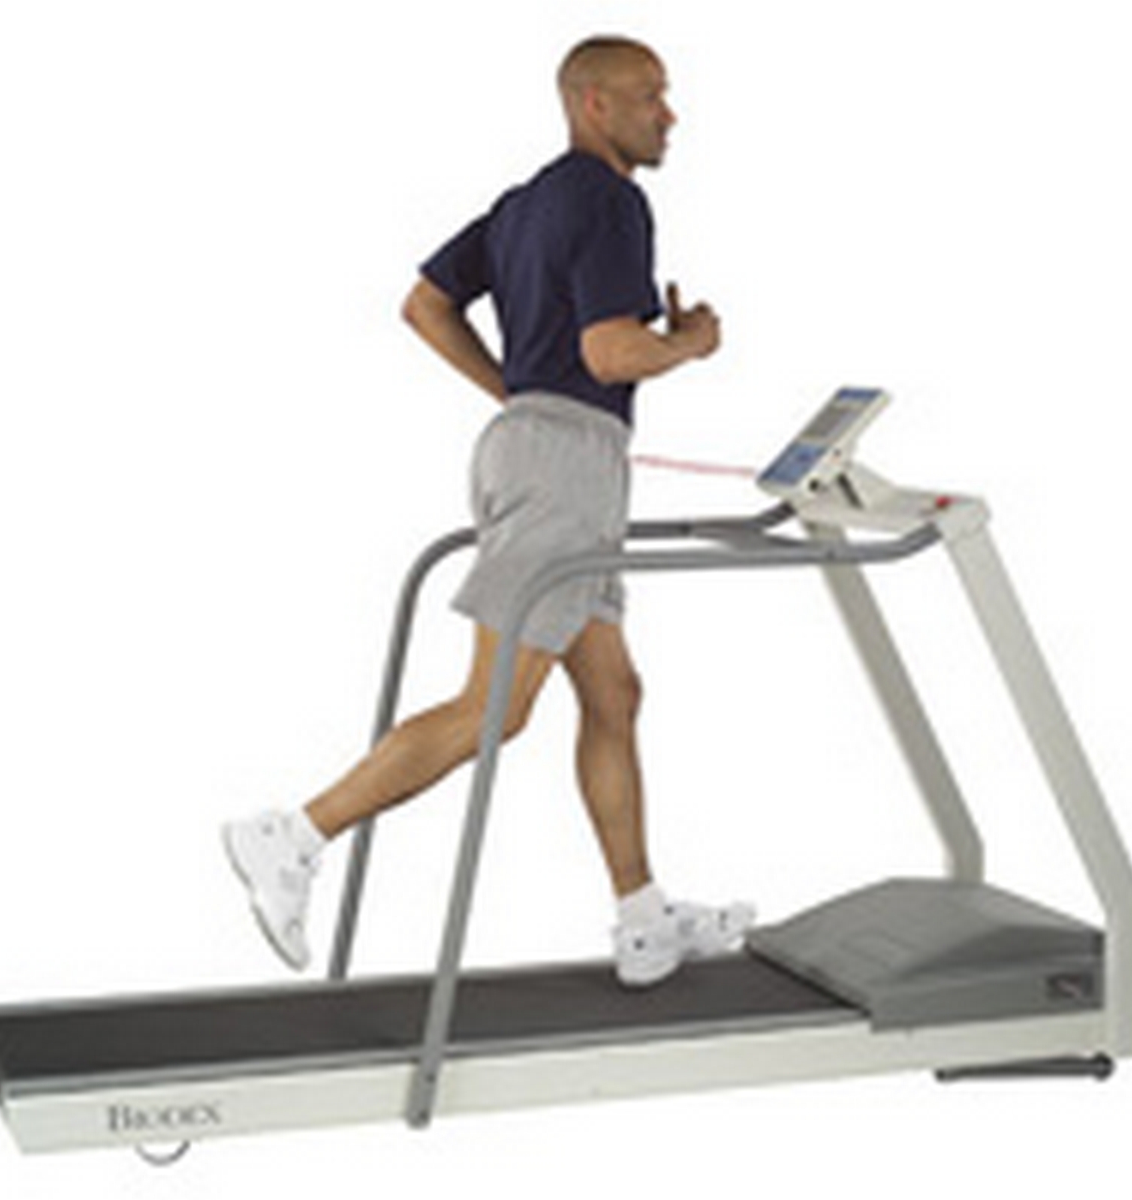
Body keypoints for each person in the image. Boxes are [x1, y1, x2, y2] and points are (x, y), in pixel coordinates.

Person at [223, 35, 754, 987]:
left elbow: (426, 305)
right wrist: (692, 343)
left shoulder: (523, 205)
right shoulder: (612, 200)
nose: (668, 114)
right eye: (650, 96)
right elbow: (609, 352)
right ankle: (294, 834)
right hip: (565, 468)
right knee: (497, 707)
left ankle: (642, 920)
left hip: (544, 449)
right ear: (593, 104)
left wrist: (518, 392)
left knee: (614, 695)